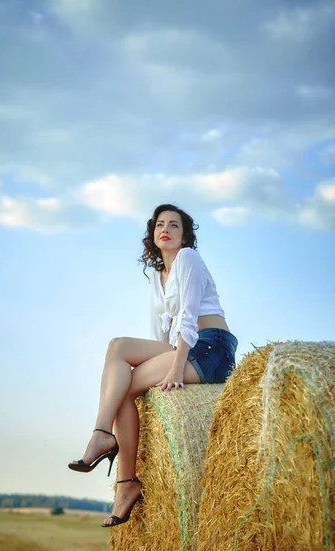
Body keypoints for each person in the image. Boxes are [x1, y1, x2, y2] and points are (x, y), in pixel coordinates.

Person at [68, 204, 238, 527]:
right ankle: (112, 454)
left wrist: (175, 367)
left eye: (175, 225)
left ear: (184, 235)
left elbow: (187, 317)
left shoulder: (188, 259)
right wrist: (163, 361)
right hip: (182, 346)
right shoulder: (158, 278)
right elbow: (157, 334)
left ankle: (110, 453)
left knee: (122, 386)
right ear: (153, 235)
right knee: (117, 350)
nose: (167, 229)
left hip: (210, 347)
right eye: (161, 224)